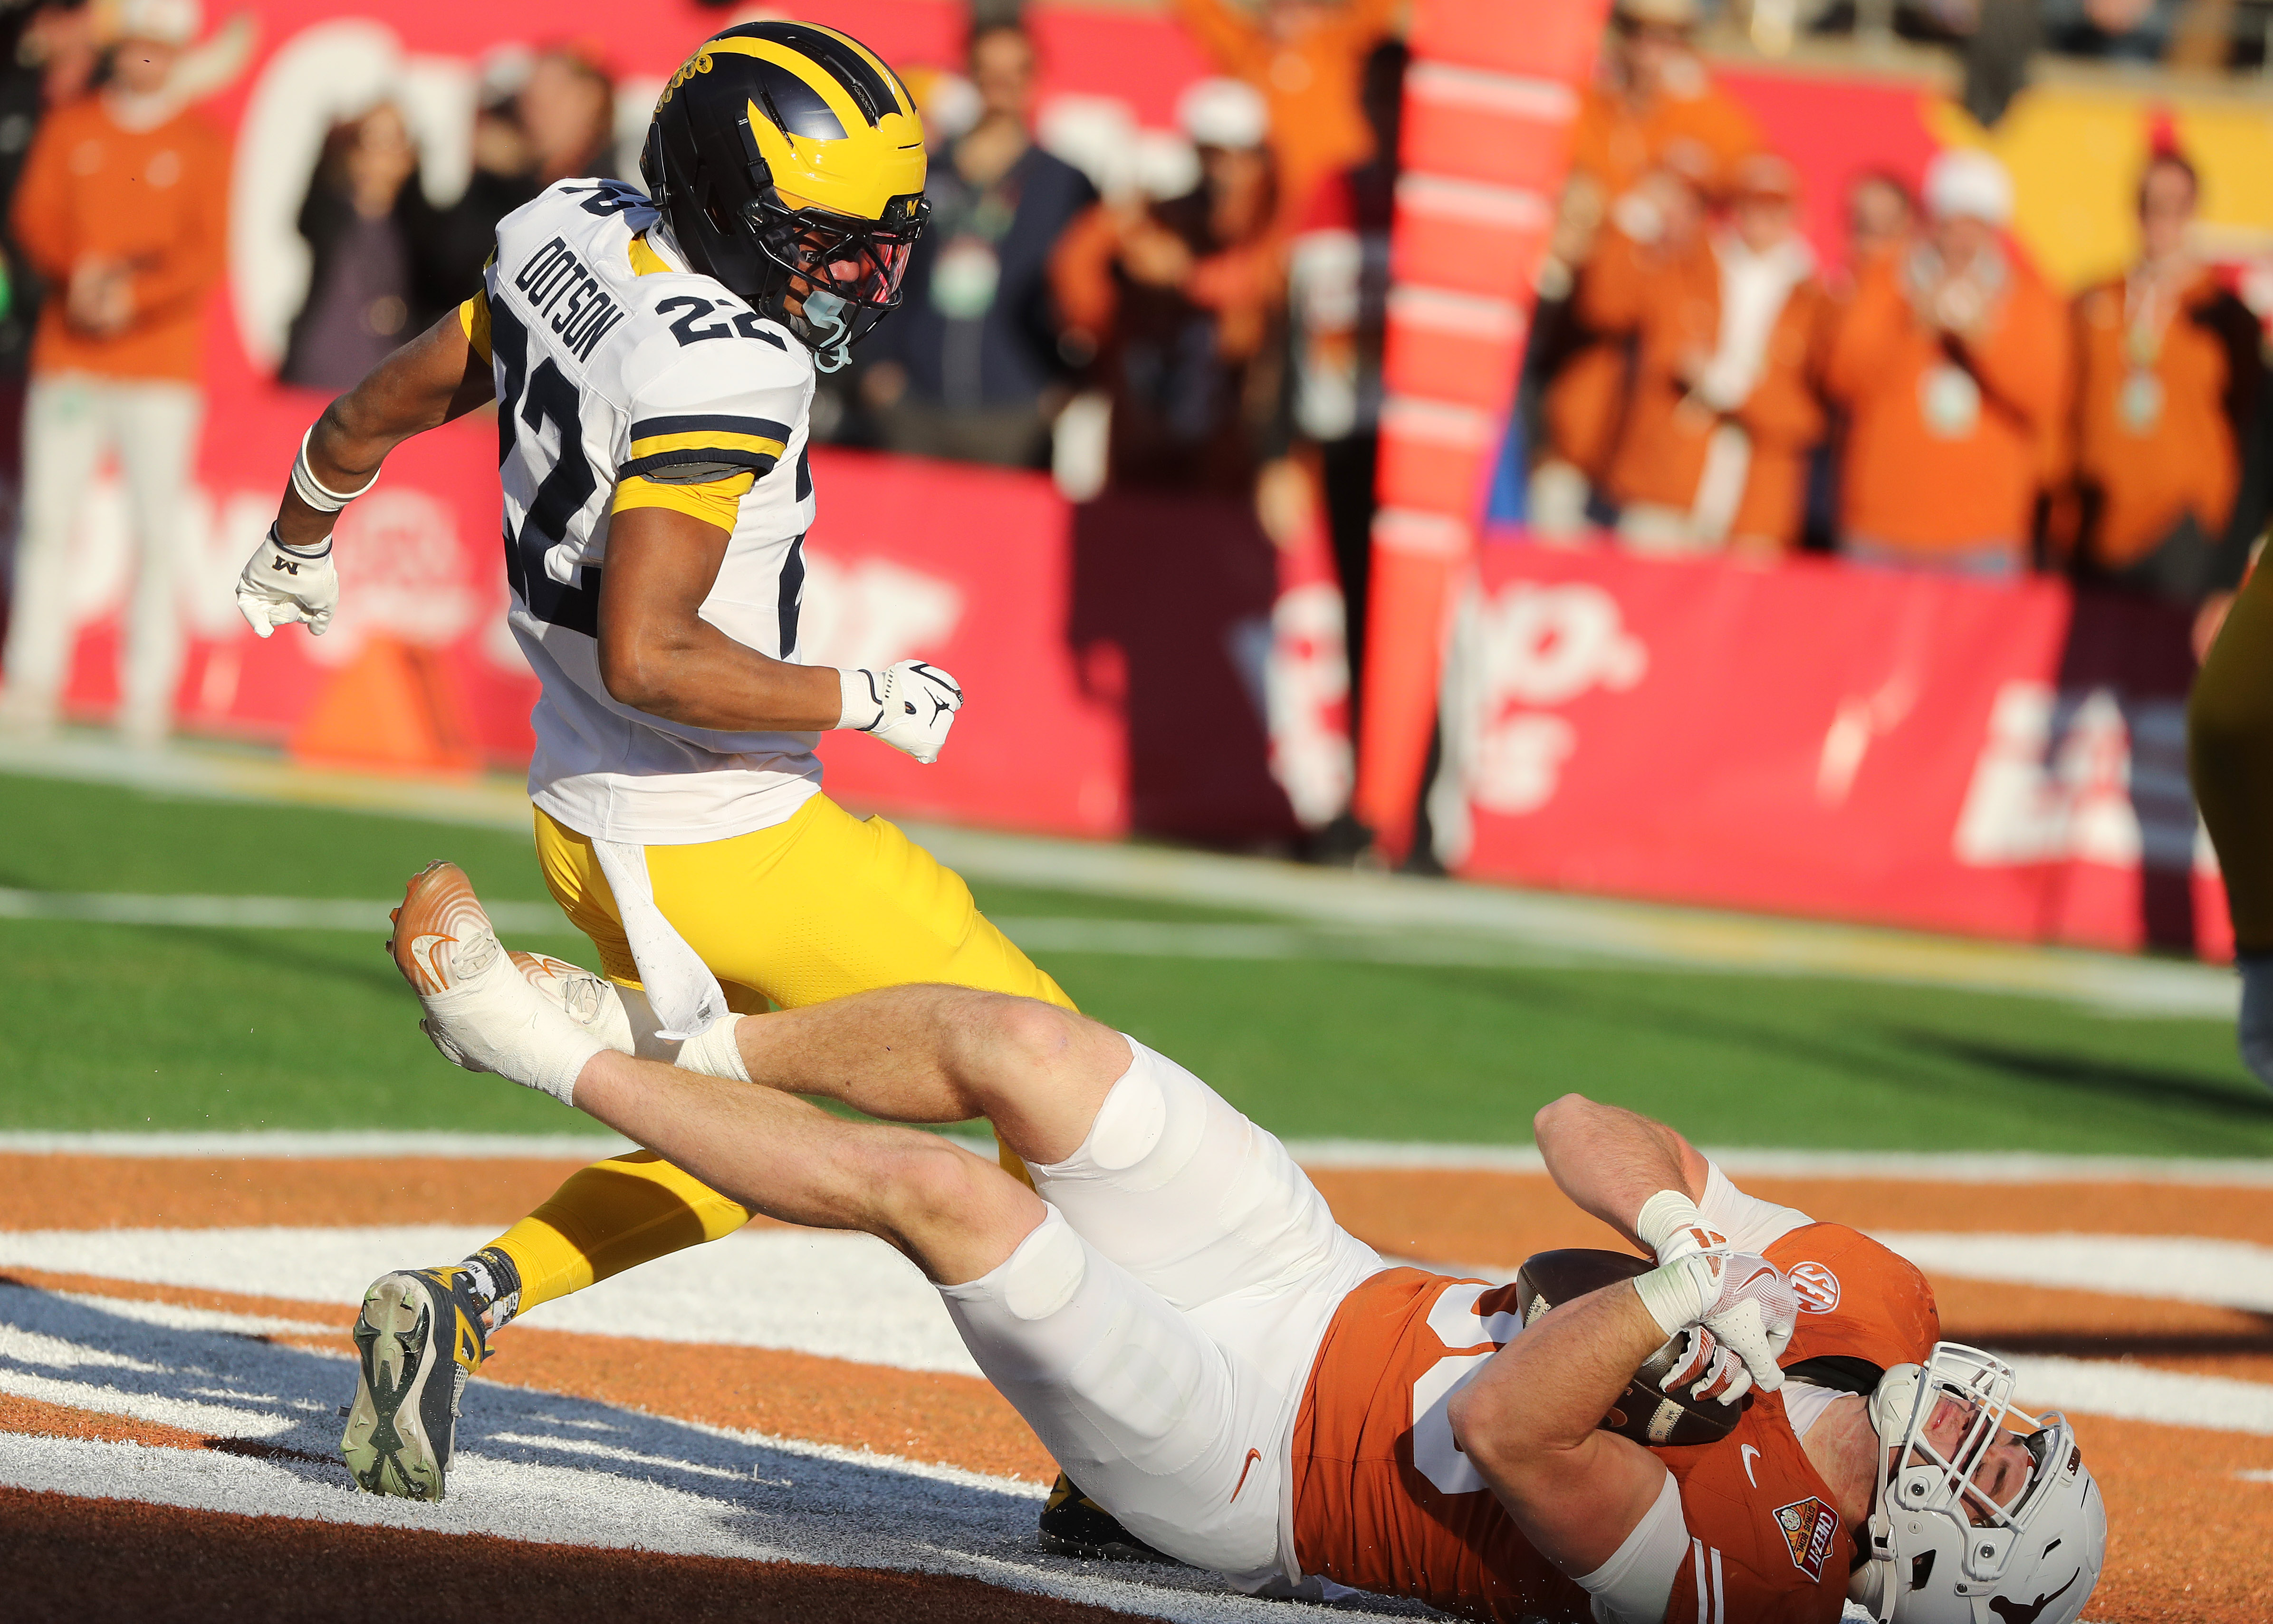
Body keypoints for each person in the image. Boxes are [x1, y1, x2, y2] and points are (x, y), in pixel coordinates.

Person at [228, 19, 1128, 1557]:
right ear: (723, 201)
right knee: (1070, 1091)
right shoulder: (729, 363)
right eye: (819, 243)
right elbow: (653, 651)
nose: (850, 278)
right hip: (719, 824)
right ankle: (1112, 1461)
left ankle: (461, 1300)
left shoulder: (565, 228)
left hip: (581, 807)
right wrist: (868, 690)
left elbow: (389, 395)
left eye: (868, 245)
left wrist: (303, 518)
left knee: (736, 1135)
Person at [384, 856, 2109, 1624]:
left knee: (954, 1200)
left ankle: (543, 1047)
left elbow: (1512, 1422)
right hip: (1318, 1270)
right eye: (2009, 1436)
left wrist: (1669, 1292)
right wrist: (1674, 1216)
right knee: (1024, 1047)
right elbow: (1573, 1125)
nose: (1977, 1422)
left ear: (1938, 1571)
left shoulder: (1759, 1586)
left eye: (1987, 1474)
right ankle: (675, 1039)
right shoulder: (1870, 1311)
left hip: (1252, 1454)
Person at [0, 0, 228, 746]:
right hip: (71, 356)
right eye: (134, 42)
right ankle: (33, 675)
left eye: (158, 45)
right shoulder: (73, 127)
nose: (144, 57)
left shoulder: (200, 144)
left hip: (158, 367)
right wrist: (81, 275)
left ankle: (147, 691)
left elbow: (203, 254)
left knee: (157, 528)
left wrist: (134, 293)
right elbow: (35, 217)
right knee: (48, 519)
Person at [856, 22, 1094, 468]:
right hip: (915, 403)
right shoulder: (926, 172)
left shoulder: (1066, 183)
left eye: (1015, 72)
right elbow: (883, 265)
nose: (1001, 86)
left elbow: (1093, 290)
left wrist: (1067, 382)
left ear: (1036, 76)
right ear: (969, 74)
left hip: (1017, 407)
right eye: (988, 72)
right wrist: (876, 365)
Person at [1823, 149, 2068, 576]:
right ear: (1931, 222)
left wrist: (1982, 340)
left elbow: (2044, 395)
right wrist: (1914, 326)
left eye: (1975, 226)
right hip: (1881, 530)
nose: (1961, 239)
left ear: (1995, 230)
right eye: (1951, 223)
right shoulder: (1886, 283)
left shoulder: (2028, 296)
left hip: (1982, 538)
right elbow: (1844, 377)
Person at [1049, 77, 1286, 498]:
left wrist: (1182, 275)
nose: (1223, 175)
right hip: (1144, 437)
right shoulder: (1160, 216)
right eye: (1212, 158)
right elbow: (1073, 265)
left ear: (1261, 160)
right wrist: (1100, 327)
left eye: (1236, 159)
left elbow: (1259, 284)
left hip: (1228, 452)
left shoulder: (1276, 224)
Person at [1598, 153, 1827, 557]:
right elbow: (1609, 305)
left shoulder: (1814, 298)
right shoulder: (1690, 266)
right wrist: (1636, 216)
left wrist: (1737, 392)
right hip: (1668, 477)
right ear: (1733, 210)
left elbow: (1809, 409)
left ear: (1795, 214)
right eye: (1751, 205)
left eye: (1775, 208)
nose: (1762, 218)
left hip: (1756, 494)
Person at [2067, 149, 2261, 626]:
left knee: (2168, 682)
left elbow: (2252, 432)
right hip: (2100, 520)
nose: (2163, 219)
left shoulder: (2224, 317)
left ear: (2194, 211)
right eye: (2151, 204)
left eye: (2176, 206)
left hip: (2184, 526)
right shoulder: (2097, 299)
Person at [1169, 0, 1397, 232]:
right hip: (1276, 213)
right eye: (1283, 5)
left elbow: (1379, 9)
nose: (1292, 12)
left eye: (1304, 6)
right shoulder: (1250, 51)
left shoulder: (1343, 43)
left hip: (1346, 209)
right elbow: (1200, 11)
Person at [278, 103, 432, 392]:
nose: (380, 152)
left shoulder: (416, 223)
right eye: (370, 139)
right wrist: (332, 142)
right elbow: (307, 216)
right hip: (320, 371)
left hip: (383, 376)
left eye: (393, 140)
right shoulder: (331, 213)